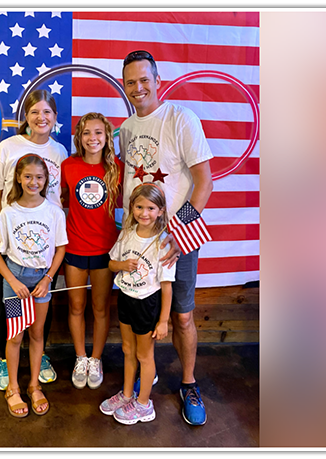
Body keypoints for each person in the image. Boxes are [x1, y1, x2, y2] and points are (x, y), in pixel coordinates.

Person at [118, 50, 214, 426]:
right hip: (136, 240)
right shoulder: (125, 129)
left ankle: (189, 383)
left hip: (175, 240)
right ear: (124, 87)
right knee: (139, 313)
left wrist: (180, 232)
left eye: (145, 80)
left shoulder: (181, 118)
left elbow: (204, 182)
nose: (138, 88)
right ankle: (145, 372)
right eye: (131, 82)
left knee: (182, 314)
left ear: (157, 80)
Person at [0, 90, 68, 391]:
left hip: (46, 247)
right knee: (8, 303)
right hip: (12, 245)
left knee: (41, 300)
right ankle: (6, 361)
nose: (41, 118)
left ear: (55, 118)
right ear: (26, 117)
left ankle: (39, 353)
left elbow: (62, 197)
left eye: (47, 112)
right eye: (34, 112)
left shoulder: (60, 152)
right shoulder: (8, 147)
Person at [0, 154, 68, 417]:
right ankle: (13, 387)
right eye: (28, 177)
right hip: (15, 281)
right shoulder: (8, 214)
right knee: (15, 336)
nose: (33, 182)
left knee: (37, 334)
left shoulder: (54, 212)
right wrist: (11, 281)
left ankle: (34, 384)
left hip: (41, 282)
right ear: (18, 179)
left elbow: (60, 249)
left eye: (39, 177)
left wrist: (48, 279)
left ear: (46, 180)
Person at [99, 183, 174, 425]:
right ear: (131, 207)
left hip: (146, 304)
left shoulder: (163, 244)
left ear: (161, 211)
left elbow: (166, 286)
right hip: (125, 297)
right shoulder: (127, 233)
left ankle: (143, 404)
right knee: (127, 350)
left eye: (151, 208)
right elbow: (112, 264)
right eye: (139, 206)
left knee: (144, 355)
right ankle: (127, 394)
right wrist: (122, 266)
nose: (144, 213)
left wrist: (163, 321)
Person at [60, 112, 124, 390]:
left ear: (107, 137)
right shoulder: (68, 165)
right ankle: (80, 357)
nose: (93, 138)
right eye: (87, 133)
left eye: (98, 132)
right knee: (76, 306)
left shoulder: (117, 168)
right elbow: (60, 199)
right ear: (79, 137)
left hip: (105, 250)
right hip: (74, 246)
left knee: (100, 307)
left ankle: (96, 358)